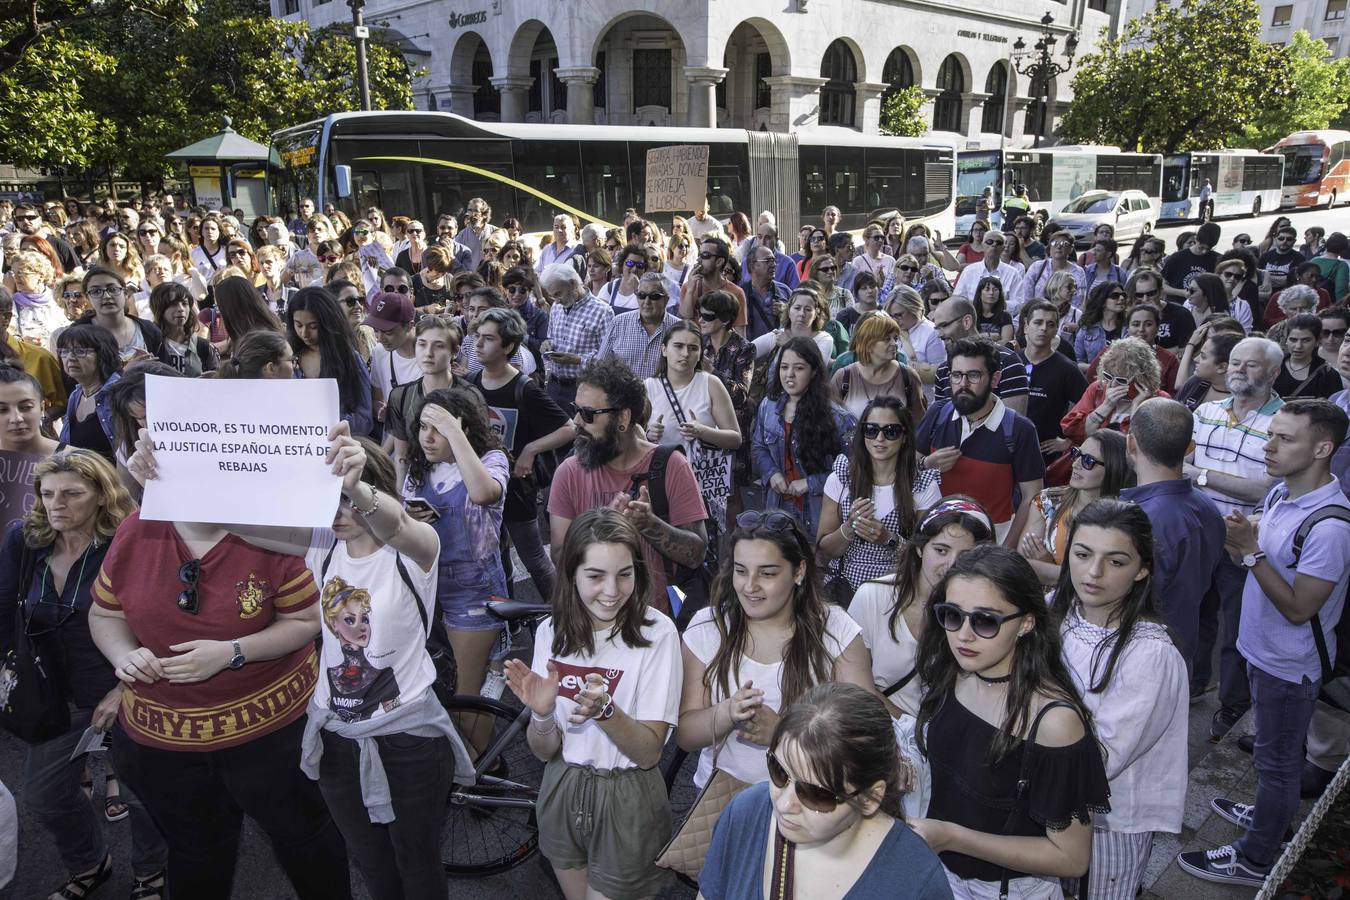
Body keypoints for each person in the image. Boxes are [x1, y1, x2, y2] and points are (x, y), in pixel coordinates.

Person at [90, 450, 352, 899]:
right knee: (195, 852)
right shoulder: (136, 531)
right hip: (165, 745)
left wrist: (233, 652)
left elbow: (306, 621)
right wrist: (124, 655)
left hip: (272, 738)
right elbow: (104, 613)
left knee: (304, 839)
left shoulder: (269, 533)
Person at [1180, 399, 1350, 887]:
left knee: (1278, 765)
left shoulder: (1331, 526)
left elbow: (1300, 607)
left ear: (1322, 448)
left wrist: (1250, 554)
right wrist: (1246, 541)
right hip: (1263, 651)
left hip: (1288, 664)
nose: (1267, 447)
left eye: (1284, 439)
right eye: (1270, 434)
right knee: (1274, 758)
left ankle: (1256, 858)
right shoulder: (1281, 495)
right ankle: (1269, 819)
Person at [0, 450, 167, 900]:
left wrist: (122, 688)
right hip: (54, 698)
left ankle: (150, 874)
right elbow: (3, 614)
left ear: (100, 496)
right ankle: (91, 864)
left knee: (140, 798)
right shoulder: (25, 541)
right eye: (48, 493)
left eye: (72, 494)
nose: (57, 504)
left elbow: (160, 624)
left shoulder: (128, 542)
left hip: (126, 692)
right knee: (43, 797)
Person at [909, 545, 1110, 899]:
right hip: (936, 875)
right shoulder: (952, 669)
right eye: (952, 615)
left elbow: (1072, 857)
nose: (963, 635)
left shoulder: (1055, 722)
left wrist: (952, 837)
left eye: (985, 620)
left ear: (1027, 623)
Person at [504, 508, 682, 900]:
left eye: (624, 574)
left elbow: (650, 752)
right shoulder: (551, 630)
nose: (612, 590)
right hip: (562, 787)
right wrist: (543, 714)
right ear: (572, 574)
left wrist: (606, 711)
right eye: (595, 576)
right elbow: (544, 750)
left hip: (627, 796)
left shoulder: (658, 633)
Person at [1050, 499, 1189, 900]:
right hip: (1044, 801)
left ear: (1142, 569)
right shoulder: (1053, 615)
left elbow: (1106, 757)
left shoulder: (1149, 653)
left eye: (1116, 561)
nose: (1093, 573)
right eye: (1082, 554)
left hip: (1112, 820)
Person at [677, 509, 872, 791]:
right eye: (741, 571)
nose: (750, 586)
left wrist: (783, 734)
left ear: (799, 571)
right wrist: (727, 713)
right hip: (721, 797)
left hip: (810, 794)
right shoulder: (709, 626)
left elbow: (864, 733)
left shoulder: (837, 630)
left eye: (767, 573)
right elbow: (685, 734)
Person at [701, 682, 953, 900]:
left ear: (870, 798)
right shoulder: (747, 812)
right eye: (778, 771)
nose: (785, 804)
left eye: (816, 794)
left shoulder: (916, 881)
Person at [548, 357, 708, 613]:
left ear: (622, 417)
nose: (577, 421)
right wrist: (606, 525)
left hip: (660, 622)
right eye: (575, 409)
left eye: (588, 414)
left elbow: (696, 553)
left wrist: (649, 524)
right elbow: (560, 556)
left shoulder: (671, 465)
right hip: (593, 623)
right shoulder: (568, 473)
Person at [1186, 337, 1284, 733]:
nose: (1239, 370)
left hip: (1243, 541)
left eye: (1252, 365)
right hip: (1200, 534)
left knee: (1238, 627)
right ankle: (1192, 684)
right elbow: (1181, 464)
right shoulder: (1206, 410)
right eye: (1235, 362)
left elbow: (1266, 488)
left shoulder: (1283, 422)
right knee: (1196, 615)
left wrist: (1203, 476)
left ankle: (1232, 705)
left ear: (1274, 372)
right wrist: (1216, 480)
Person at [401, 386, 508, 701]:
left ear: (464, 429)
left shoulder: (491, 459)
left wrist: (454, 431)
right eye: (423, 427)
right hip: (426, 588)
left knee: (465, 695)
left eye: (439, 430)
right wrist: (412, 525)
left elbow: (483, 493)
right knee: (437, 688)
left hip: (473, 591)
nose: (428, 438)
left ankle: (479, 752)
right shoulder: (420, 468)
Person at [849, 498, 993, 720]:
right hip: (880, 729)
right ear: (919, 548)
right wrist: (916, 733)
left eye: (966, 556)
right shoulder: (873, 597)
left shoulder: (987, 617)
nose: (952, 565)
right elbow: (854, 684)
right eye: (941, 550)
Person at [468, 307, 573, 601]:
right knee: (493, 557)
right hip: (481, 486)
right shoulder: (472, 383)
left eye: (488, 339)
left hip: (516, 488)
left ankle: (561, 615)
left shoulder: (524, 388)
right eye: (477, 337)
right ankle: (508, 619)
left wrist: (530, 449)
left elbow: (569, 428)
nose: (478, 344)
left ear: (508, 346)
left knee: (534, 558)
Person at [1121, 398, 1225, 669]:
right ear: (1189, 448)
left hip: (1139, 653)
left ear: (1131, 443)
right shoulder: (1209, 508)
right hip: (1182, 648)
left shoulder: (1137, 520)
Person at [916, 337, 1044, 546]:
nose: (963, 384)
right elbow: (906, 468)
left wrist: (1006, 549)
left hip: (991, 542)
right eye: (956, 375)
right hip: (936, 538)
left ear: (995, 379)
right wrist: (927, 464)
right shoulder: (937, 413)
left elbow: (1032, 498)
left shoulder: (1020, 429)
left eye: (973, 375)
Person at [817, 395, 943, 598]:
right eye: (871, 430)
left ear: (904, 437)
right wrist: (849, 528)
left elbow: (928, 555)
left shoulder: (923, 485)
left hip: (897, 590)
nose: (879, 439)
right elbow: (824, 550)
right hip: (844, 589)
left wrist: (888, 539)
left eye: (891, 432)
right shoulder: (841, 478)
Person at [753, 337, 856, 540]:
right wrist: (772, 473)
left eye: (798, 368)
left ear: (814, 371)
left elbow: (854, 468)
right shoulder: (768, 406)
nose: (789, 375)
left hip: (819, 511)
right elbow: (759, 446)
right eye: (784, 367)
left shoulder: (839, 418)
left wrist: (810, 483)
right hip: (777, 508)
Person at [644, 320, 742, 529]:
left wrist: (703, 431)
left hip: (701, 482)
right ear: (664, 350)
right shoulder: (648, 387)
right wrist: (648, 435)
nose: (685, 354)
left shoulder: (710, 383)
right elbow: (632, 441)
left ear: (700, 353)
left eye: (693, 348)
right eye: (678, 346)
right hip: (659, 480)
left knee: (704, 548)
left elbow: (735, 439)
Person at [1018, 430, 1134, 585]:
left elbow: (1108, 581)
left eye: (1088, 461)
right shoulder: (1047, 501)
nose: (1075, 464)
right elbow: (1022, 566)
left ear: (1114, 469)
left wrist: (1048, 564)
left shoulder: (1126, 516)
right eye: (1076, 454)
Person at [287, 286, 374, 437]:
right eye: (298, 325)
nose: (304, 333)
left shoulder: (349, 359)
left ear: (328, 323)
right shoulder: (288, 360)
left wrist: (324, 419)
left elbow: (364, 421)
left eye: (313, 326)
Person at [1018, 300, 1087, 471]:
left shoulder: (1067, 369)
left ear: (1056, 330)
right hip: (1007, 450)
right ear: (1026, 326)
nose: (1043, 328)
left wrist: (1068, 442)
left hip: (1045, 457)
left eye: (1050, 324)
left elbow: (1091, 406)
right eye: (1038, 322)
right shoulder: (1010, 361)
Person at [930, 299, 1030, 415]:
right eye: (937, 328)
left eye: (944, 325)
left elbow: (1013, 426)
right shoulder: (943, 371)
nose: (940, 334)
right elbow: (942, 423)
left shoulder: (1008, 362)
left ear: (966, 322)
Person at [1061, 337, 1167, 444]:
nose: (1113, 384)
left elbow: (1147, 448)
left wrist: (1136, 408)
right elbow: (1077, 434)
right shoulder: (1098, 388)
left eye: (1121, 380)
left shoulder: (1159, 400)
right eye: (1108, 376)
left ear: (1141, 378)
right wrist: (1106, 406)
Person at [542, 264, 612, 417]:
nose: (556, 300)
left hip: (583, 388)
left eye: (558, 294)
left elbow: (608, 357)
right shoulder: (556, 307)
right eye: (553, 296)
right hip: (554, 386)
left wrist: (578, 360)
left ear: (573, 284)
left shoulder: (602, 311)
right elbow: (551, 337)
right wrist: (547, 345)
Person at [593, 272, 682, 380]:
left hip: (662, 395)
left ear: (666, 300)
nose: (646, 302)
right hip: (623, 394)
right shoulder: (618, 323)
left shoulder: (678, 329)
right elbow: (600, 366)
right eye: (642, 295)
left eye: (654, 296)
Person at [56, 324, 123, 461]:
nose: (70, 357)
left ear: (103, 354)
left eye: (80, 351)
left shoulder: (119, 393)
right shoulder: (76, 395)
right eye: (64, 351)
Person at [77, 266, 163, 365]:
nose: (106, 296)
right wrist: (123, 374)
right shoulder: (77, 336)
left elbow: (166, 373)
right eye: (96, 292)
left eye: (112, 289)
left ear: (125, 293)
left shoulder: (149, 330)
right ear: (87, 298)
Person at [149, 282, 216, 376]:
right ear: (159, 308)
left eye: (185, 304)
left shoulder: (202, 346)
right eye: (173, 304)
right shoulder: (150, 345)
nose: (181, 309)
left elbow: (217, 381)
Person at [1274, 312, 1343, 399]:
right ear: (1286, 339)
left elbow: (1335, 409)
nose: (1298, 346)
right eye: (1293, 340)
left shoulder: (1327, 375)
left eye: (1306, 340)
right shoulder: (1272, 365)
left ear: (1317, 341)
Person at [1018, 232, 1087, 315]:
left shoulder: (1078, 272)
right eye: (1054, 243)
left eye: (1064, 243)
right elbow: (1026, 298)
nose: (1059, 246)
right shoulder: (1037, 267)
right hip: (1036, 315)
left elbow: (1078, 302)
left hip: (1066, 319)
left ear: (1071, 249)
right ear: (1050, 247)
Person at [954, 230, 1023, 303]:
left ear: (1003, 247)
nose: (994, 245)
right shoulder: (969, 271)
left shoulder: (1013, 274)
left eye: (999, 243)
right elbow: (957, 298)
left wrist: (995, 306)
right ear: (982, 246)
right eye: (989, 242)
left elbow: (1018, 302)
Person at [1073, 281, 1127, 371]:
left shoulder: (1129, 328)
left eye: (1123, 295)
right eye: (1115, 296)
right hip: (1093, 381)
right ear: (1102, 302)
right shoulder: (1087, 329)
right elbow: (1077, 362)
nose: (1121, 298)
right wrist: (1099, 368)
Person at [1161, 221, 1221, 301]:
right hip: (1178, 303)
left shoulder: (1217, 259)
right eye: (1201, 247)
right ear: (1196, 239)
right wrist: (1182, 293)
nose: (1204, 252)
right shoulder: (1177, 257)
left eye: (1208, 249)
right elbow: (1162, 285)